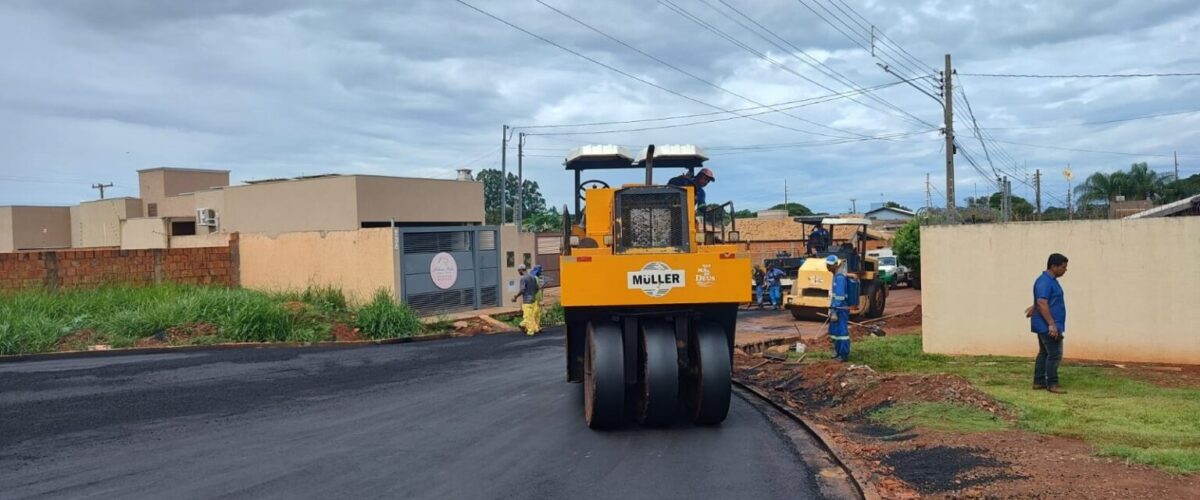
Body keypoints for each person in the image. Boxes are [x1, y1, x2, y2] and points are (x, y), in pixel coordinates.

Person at [1025, 253, 1069, 393]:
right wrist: (1052, 324)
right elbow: (1042, 302)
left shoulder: (1050, 280)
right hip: (1047, 325)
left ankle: (1039, 381)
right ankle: (1052, 383)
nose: (1065, 270)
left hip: (1045, 323)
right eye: (1063, 267)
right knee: (1055, 354)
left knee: (1044, 353)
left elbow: (1041, 299)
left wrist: (1034, 306)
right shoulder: (1045, 281)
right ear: (1053, 266)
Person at [827, 255, 851, 362]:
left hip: (841, 309)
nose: (828, 267)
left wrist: (835, 311)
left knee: (842, 333)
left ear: (836, 265)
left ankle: (843, 354)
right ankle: (837, 352)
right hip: (835, 308)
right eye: (827, 264)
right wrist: (831, 309)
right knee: (835, 332)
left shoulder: (840, 277)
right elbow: (834, 295)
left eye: (830, 265)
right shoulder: (835, 276)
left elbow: (840, 296)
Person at [511, 264, 540, 336]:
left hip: (527, 300)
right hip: (533, 299)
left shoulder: (523, 278)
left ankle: (530, 331)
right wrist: (532, 294)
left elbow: (522, 290)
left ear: (521, 270)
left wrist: (515, 297)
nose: (518, 272)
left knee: (527, 317)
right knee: (531, 316)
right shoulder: (533, 277)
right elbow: (537, 288)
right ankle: (533, 328)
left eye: (518, 271)